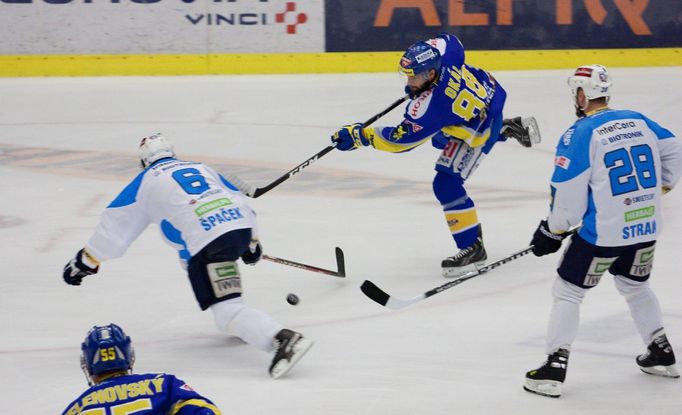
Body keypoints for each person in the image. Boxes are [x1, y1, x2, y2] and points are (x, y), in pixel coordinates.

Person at [62, 133, 312, 379]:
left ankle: (282, 339)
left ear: (143, 163)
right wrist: (252, 242)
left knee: (226, 313)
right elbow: (237, 199)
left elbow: (115, 229)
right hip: (238, 228)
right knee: (220, 283)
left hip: (209, 242)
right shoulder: (201, 167)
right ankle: (248, 325)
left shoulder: (145, 182)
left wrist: (86, 260)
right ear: (173, 154)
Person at [524, 64, 682, 398]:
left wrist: (552, 231)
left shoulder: (579, 133)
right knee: (635, 286)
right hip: (645, 228)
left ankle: (553, 367)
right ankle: (661, 352)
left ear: (582, 94)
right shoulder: (638, 119)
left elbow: (566, 190)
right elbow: (674, 149)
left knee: (568, 290)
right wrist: (661, 188)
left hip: (603, 236)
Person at [330, 33, 540, 277]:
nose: (409, 82)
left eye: (415, 77)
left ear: (431, 74)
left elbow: (401, 140)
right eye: (408, 76)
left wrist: (361, 136)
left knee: (446, 183)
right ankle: (506, 127)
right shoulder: (447, 53)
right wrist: (420, 77)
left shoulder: (432, 107)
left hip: (478, 127)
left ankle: (472, 248)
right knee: (439, 139)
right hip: (489, 92)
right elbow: (451, 40)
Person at [62, 324, 222, 415]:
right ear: (128, 356)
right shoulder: (163, 384)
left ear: (88, 366)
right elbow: (205, 411)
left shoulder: (77, 408)